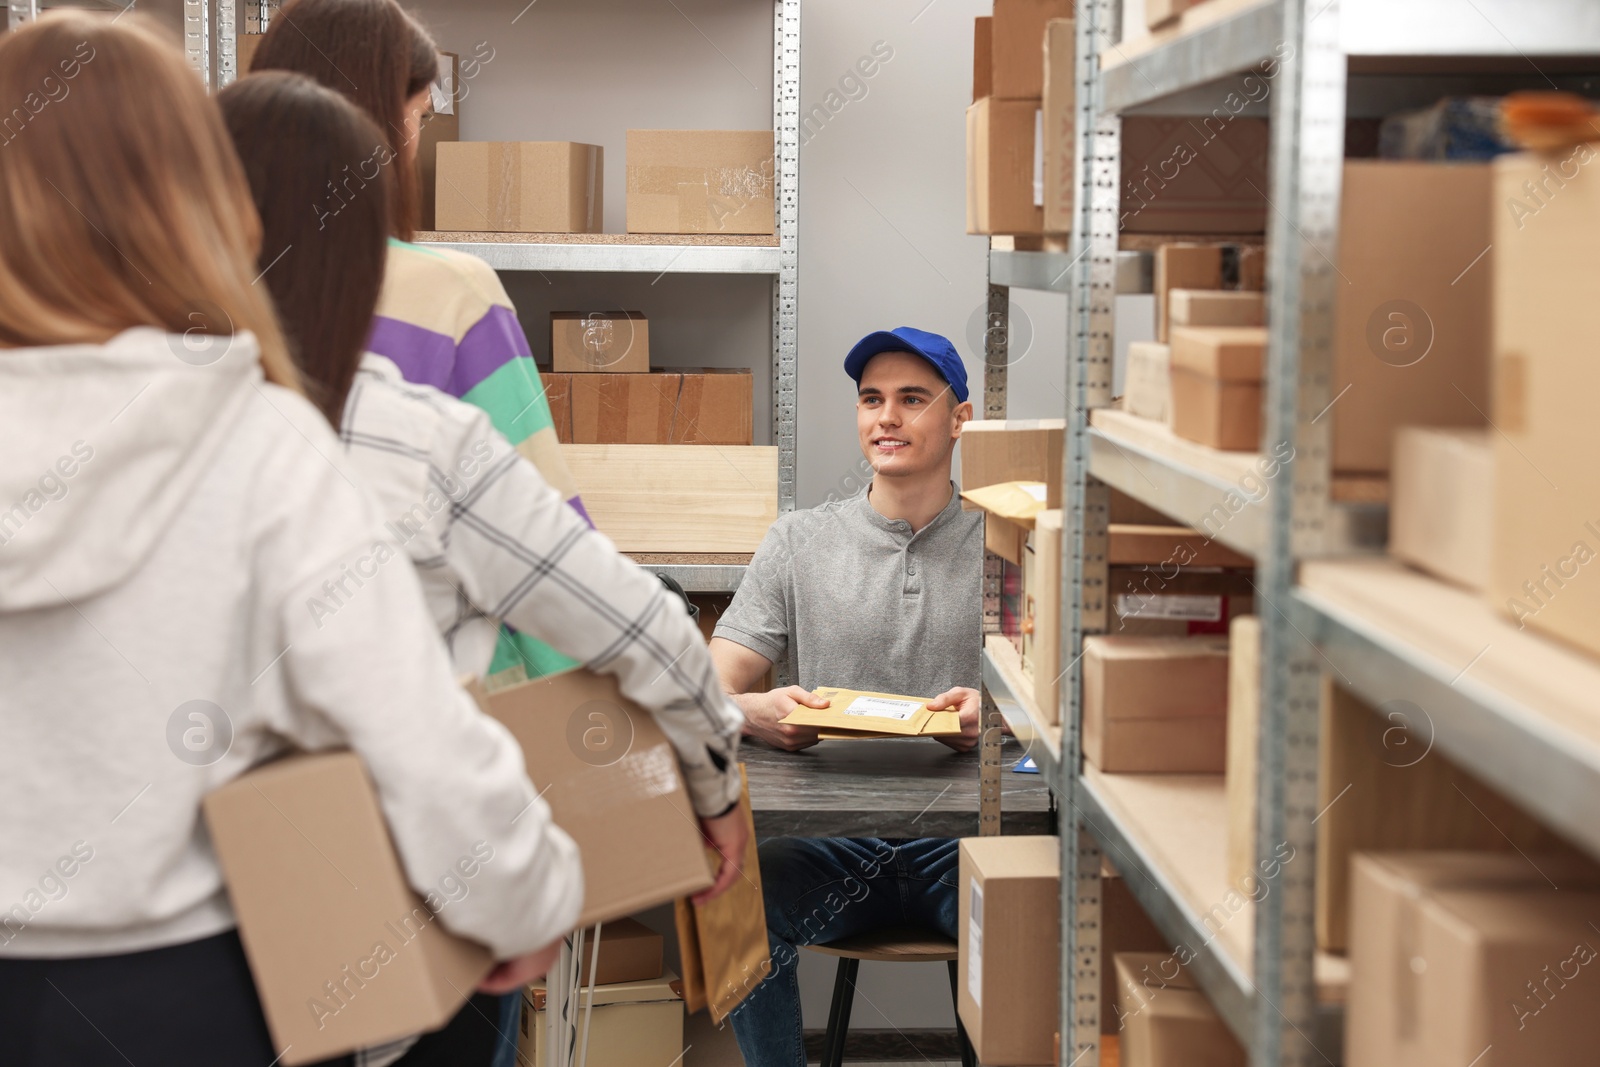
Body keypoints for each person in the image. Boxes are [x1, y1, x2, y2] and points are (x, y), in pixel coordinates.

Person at [0, 14, 578, 1067]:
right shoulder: (253, 434)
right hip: (188, 993)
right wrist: (525, 892)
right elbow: (409, 731)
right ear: (189, 192)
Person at [216, 72, 748, 1067]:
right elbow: (634, 624)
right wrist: (711, 787)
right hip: (411, 924)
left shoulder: (119, 430)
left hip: (165, 949)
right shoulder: (412, 438)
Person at [250, 0, 584, 682]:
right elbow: (543, 553)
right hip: (445, 703)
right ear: (373, 123)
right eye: (418, 119)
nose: (417, 146)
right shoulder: (452, 294)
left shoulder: (189, 296)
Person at [708, 327, 985, 1066]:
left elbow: (1066, 696)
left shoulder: (1007, 542)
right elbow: (707, 686)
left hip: (964, 850)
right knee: (736, 889)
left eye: (912, 399)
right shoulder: (799, 541)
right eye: (871, 399)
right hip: (835, 853)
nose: (885, 417)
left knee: (1051, 908)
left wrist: (1003, 714)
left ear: (960, 417)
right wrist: (753, 712)